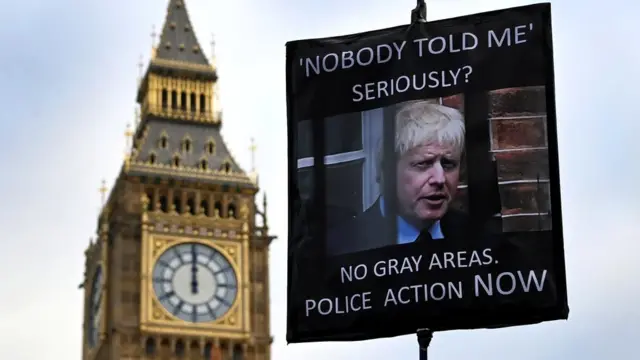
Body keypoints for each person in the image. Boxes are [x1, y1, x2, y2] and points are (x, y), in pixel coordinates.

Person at [326, 100, 478, 256]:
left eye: (448, 164)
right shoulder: (340, 248)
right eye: (423, 164)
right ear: (387, 170)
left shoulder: (476, 235)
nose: (439, 179)